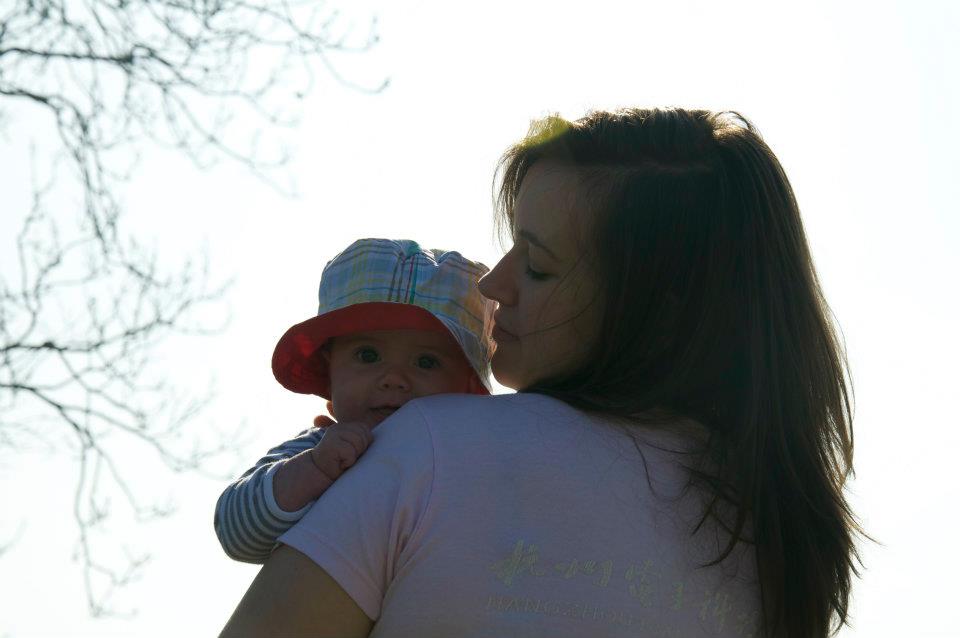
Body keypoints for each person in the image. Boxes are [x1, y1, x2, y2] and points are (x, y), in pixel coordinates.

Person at [220, 109, 862, 638]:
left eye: (539, 266)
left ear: (657, 305)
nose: (494, 285)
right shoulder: (782, 539)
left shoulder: (429, 447)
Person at [214, 237, 494, 563]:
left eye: (426, 362)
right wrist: (314, 468)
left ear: (466, 387)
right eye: (368, 354)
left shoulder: (476, 464)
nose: (394, 378)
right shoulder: (318, 449)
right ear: (329, 372)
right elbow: (236, 532)